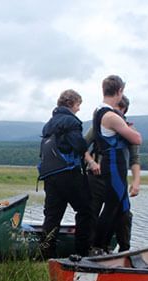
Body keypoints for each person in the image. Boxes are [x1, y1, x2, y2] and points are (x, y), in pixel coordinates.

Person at [37, 89, 93, 258]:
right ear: (70, 104)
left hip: (50, 175)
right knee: (86, 210)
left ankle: (46, 254)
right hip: (69, 174)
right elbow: (79, 145)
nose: (79, 109)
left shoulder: (49, 123)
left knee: (52, 216)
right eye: (78, 105)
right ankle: (82, 252)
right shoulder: (71, 121)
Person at [92, 75, 142, 253]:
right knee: (112, 206)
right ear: (119, 91)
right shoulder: (110, 115)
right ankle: (97, 246)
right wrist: (127, 128)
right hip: (114, 165)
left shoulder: (99, 111)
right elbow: (137, 138)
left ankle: (119, 248)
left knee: (122, 206)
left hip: (113, 164)